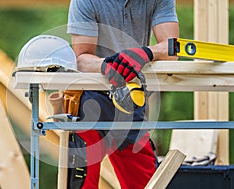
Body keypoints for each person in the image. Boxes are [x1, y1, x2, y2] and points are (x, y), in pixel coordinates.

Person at [66, 0, 179, 188]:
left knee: (149, 184)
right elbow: (81, 58)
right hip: (91, 103)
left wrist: (144, 53)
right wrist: (107, 66)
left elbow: (173, 49)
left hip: (130, 102)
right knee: (83, 184)